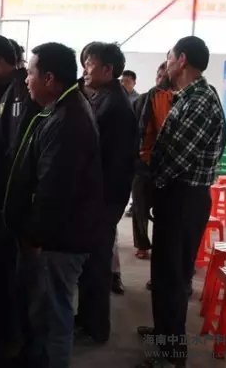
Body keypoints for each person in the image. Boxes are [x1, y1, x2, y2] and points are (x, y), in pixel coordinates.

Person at [5, 42, 103, 368]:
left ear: (49, 78)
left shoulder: (68, 119)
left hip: (60, 240)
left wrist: (35, 236)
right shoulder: (60, 108)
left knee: (53, 317)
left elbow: (54, 190)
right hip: (59, 235)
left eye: (31, 73)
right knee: (45, 312)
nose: (26, 80)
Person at [136, 36, 226, 368]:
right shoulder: (187, 96)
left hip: (184, 198)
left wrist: (148, 179)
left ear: (183, 60)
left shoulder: (199, 102)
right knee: (163, 274)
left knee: (173, 278)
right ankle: (163, 334)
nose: (167, 63)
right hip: (176, 195)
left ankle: (171, 355)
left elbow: (175, 158)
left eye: (170, 57)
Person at [0, 35, 41, 363]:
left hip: (8, 208)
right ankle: (1, 337)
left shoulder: (19, 96)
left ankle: (9, 344)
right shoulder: (1, 94)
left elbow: (16, 160)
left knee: (8, 280)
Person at [76, 42, 136, 342]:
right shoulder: (105, 97)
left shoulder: (115, 105)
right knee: (91, 263)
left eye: (90, 64)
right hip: (102, 198)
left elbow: (111, 161)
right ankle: (87, 318)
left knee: (98, 265)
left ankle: (96, 327)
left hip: (104, 198)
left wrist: (98, 202)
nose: (85, 69)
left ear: (107, 69)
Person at [132, 62, 173, 260]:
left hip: (167, 166)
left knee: (165, 211)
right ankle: (141, 244)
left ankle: (163, 247)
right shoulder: (145, 99)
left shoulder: (178, 101)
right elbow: (135, 129)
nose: (160, 79)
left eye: (164, 75)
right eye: (158, 75)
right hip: (144, 162)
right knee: (139, 206)